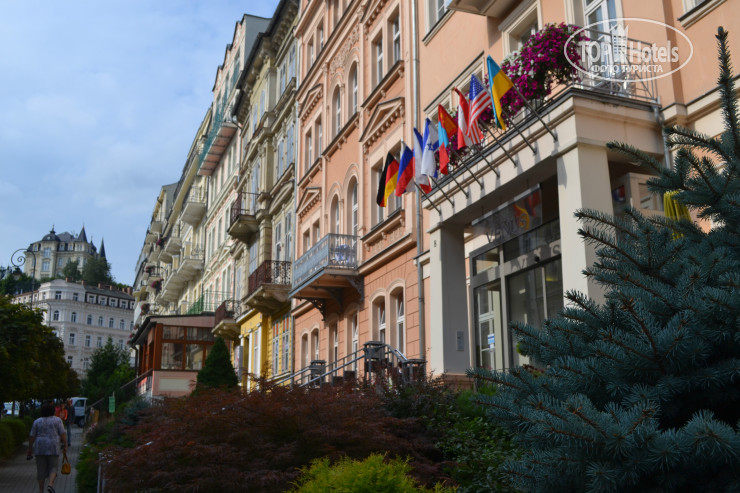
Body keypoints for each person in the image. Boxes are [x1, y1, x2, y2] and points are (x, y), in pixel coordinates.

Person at [27, 401, 67, 493]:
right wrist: (65, 444)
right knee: (53, 467)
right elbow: (62, 433)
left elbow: (32, 436)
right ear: (53, 411)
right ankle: (50, 484)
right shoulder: (57, 420)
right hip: (53, 446)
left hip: (40, 447)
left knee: (41, 470)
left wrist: (30, 448)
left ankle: (41, 490)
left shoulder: (37, 421)